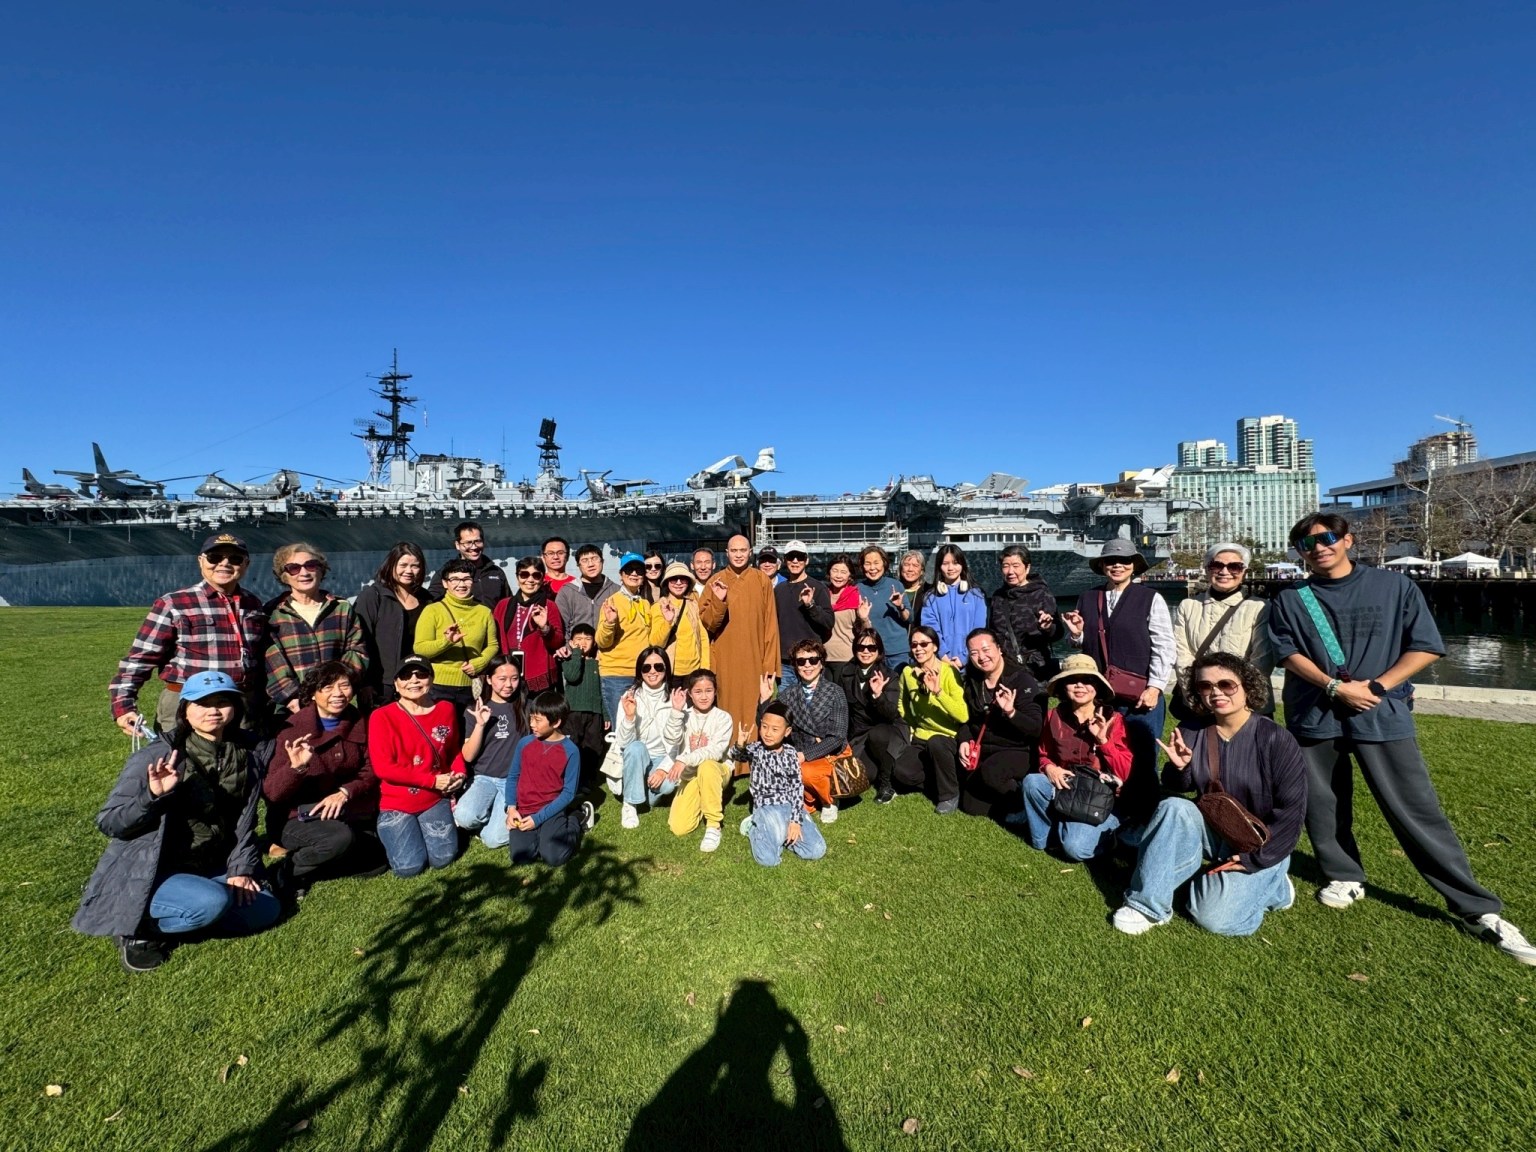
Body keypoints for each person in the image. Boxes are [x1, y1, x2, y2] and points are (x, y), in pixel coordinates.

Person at [1267, 512, 1534, 964]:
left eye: (1327, 538)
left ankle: (1474, 906)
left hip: (1381, 712)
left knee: (1414, 807)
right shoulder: (1292, 597)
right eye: (1306, 544)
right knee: (1324, 801)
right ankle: (1343, 873)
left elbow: (1426, 645)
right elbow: (1286, 652)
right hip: (1314, 712)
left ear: (1348, 540)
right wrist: (1333, 686)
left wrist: (1376, 687)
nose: (1318, 547)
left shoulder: (1394, 587)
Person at [74, 670, 281, 973]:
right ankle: (138, 928)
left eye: (222, 702)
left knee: (265, 909)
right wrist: (151, 796)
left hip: (209, 862)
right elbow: (110, 822)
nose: (212, 711)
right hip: (155, 868)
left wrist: (240, 869)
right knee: (210, 903)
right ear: (185, 709)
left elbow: (244, 821)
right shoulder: (159, 755)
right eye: (201, 703)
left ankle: (199, 908)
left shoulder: (246, 754)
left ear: (235, 707)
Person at [1112, 653, 1306, 937]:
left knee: (1213, 918)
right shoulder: (1192, 731)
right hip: (1214, 828)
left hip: (1261, 841)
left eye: (1226, 684)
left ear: (1247, 686)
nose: (1215, 692)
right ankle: (1147, 905)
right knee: (1174, 807)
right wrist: (1182, 768)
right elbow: (1178, 786)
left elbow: (1293, 812)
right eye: (1205, 686)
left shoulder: (1275, 738)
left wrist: (1257, 859)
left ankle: (1275, 885)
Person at [110, 532, 268, 738]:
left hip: (242, 703)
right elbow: (140, 658)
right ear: (200, 561)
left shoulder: (253, 603)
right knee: (181, 765)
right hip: (187, 702)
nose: (224, 563)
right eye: (215, 558)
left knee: (243, 765)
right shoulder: (174, 603)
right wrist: (123, 706)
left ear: (246, 564)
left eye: (235, 559)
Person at [1060, 537, 1173, 820]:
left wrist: (1156, 687)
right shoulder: (1088, 597)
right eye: (1111, 561)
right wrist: (1075, 633)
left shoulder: (1150, 598)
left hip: (1139, 695)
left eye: (1124, 561)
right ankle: (1106, 810)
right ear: (1102, 566)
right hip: (1101, 696)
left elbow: (1164, 645)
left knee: (1143, 757)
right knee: (1100, 752)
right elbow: (1081, 647)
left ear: (1134, 565)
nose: (1117, 565)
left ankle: (1145, 816)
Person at [263, 661, 381, 900]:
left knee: (377, 861)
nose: (338, 694)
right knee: (339, 839)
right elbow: (273, 793)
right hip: (295, 817)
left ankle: (313, 866)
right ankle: (287, 871)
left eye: (344, 686)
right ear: (313, 694)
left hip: (342, 810)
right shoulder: (291, 730)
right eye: (327, 687)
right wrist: (296, 768)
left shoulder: (357, 721)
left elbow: (370, 768)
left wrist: (346, 791)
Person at [1015, 653, 1134, 860]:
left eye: (1087, 680)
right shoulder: (1054, 716)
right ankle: (1043, 840)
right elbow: (1043, 754)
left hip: (1098, 795)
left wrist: (1103, 742)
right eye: (1072, 680)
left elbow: (1125, 771)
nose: (1079, 686)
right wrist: (1049, 768)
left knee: (1076, 849)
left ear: (1097, 687)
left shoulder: (1113, 720)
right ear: (1063, 686)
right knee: (1033, 782)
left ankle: (1112, 831)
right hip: (1068, 787)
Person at [367, 656, 466, 877]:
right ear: (396, 683)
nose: (414, 680)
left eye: (421, 674)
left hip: (433, 797)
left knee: (444, 858)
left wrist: (460, 772)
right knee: (409, 867)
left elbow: (453, 750)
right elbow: (384, 768)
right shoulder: (381, 717)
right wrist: (432, 780)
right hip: (397, 802)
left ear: (431, 679)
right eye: (406, 675)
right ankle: (391, 831)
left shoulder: (446, 709)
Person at [696, 534, 781, 756]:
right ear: (727, 553)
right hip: (725, 658)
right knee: (726, 707)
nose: (739, 555)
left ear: (750, 552)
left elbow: (771, 625)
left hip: (755, 658)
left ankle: (752, 754)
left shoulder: (761, 580)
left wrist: (770, 666)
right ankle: (727, 754)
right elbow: (708, 624)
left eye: (743, 550)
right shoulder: (716, 580)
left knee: (754, 706)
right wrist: (718, 600)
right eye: (734, 551)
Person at [263, 542, 367, 720]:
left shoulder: (341, 608)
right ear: (284, 576)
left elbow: (357, 650)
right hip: (294, 708)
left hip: (339, 703)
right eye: (293, 568)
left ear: (321, 570)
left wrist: (338, 689)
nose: (304, 572)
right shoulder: (273, 614)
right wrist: (293, 697)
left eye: (311, 565)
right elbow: (271, 660)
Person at [1172, 542, 1273, 719]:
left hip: (1246, 705)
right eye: (1216, 565)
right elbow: (1182, 655)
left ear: (1244, 572)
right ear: (1206, 569)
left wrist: (1235, 698)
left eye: (1234, 566)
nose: (1224, 572)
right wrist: (1198, 695)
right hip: (1198, 701)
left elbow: (1262, 659)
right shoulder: (1188, 606)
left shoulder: (1260, 607)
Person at [957, 628, 1043, 821]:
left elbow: (1036, 728)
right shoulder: (972, 681)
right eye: (974, 653)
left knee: (991, 772)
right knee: (971, 806)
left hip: (1018, 749)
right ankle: (1005, 799)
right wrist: (965, 739)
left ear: (999, 649)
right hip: (985, 749)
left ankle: (1023, 800)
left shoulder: (1021, 680)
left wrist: (1011, 712)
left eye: (986, 649)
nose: (982, 657)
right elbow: (966, 720)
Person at [504, 692, 594, 867]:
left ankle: (576, 818)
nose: (532, 724)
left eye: (538, 720)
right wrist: (511, 808)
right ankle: (543, 834)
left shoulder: (571, 751)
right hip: (525, 809)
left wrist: (538, 820)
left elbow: (568, 793)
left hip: (551, 808)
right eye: (531, 718)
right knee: (521, 857)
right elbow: (513, 776)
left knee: (554, 857)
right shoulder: (524, 744)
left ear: (556, 722)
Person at [764, 640, 849, 824]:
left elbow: (837, 737)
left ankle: (830, 800)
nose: (807, 665)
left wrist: (804, 755)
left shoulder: (835, 692)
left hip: (831, 752)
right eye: (801, 661)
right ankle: (809, 798)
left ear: (821, 663)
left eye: (813, 660)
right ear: (795, 666)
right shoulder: (788, 695)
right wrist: (765, 701)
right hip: (801, 752)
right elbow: (771, 726)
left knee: (805, 772)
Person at [833, 627, 918, 805]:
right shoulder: (845, 673)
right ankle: (878, 771)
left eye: (871, 648)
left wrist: (878, 696)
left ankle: (886, 784)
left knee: (877, 734)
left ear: (879, 650)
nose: (866, 652)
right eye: (861, 647)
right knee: (857, 778)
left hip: (888, 731)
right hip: (860, 735)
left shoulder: (889, 675)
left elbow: (892, 714)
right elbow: (842, 710)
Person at [739, 701, 828, 867]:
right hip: (766, 807)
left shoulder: (790, 753)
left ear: (787, 731)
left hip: (789, 806)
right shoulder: (756, 749)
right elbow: (738, 755)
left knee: (817, 849)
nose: (768, 733)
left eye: (774, 729)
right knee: (769, 860)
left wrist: (795, 821)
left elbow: (796, 789)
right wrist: (740, 744)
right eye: (764, 727)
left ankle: (781, 836)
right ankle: (754, 828)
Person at [453, 657, 527, 849]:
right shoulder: (475, 709)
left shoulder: (527, 707)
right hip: (484, 777)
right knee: (464, 817)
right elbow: (468, 756)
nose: (509, 685)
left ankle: (494, 817)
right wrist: (480, 725)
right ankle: (489, 810)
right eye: (502, 679)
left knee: (494, 840)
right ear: (488, 679)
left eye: (514, 678)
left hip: (512, 781)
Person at [897, 625, 969, 813]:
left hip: (946, 736)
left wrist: (938, 691)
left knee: (936, 743)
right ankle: (938, 780)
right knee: (901, 773)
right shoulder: (907, 673)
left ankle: (949, 794)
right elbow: (902, 705)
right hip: (922, 735)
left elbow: (962, 714)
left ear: (935, 647)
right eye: (914, 645)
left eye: (923, 644)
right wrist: (912, 727)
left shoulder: (949, 671)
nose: (918, 649)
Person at [354, 542, 435, 707]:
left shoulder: (426, 599)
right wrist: (365, 683)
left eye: (415, 566)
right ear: (391, 565)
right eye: (403, 565)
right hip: (382, 683)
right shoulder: (373, 596)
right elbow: (361, 640)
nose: (409, 571)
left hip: (415, 680)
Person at [614, 647, 687, 829]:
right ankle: (630, 803)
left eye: (658, 667)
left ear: (666, 669)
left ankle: (642, 791)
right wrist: (630, 718)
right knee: (636, 747)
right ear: (640, 671)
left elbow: (679, 744)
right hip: (636, 756)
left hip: (663, 757)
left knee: (668, 786)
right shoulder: (629, 697)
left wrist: (663, 769)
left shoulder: (676, 699)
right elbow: (623, 743)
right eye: (646, 668)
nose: (652, 671)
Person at [414, 558, 498, 714]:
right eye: (455, 579)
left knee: (469, 735)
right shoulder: (432, 611)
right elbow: (420, 649)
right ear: (445, 583)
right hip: (438, 687)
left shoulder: (484, 612)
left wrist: (479, 663)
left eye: (466, 579)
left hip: (470, 686)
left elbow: (493, 645)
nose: (461, 584)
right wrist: (446, 642)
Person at [666, 670, 735, 852]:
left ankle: (713, 825)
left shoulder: (723, 717)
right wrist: (675, 712)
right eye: (698, 691)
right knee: (679, 827)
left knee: (707, 765)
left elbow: (715, 751)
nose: (704, 696)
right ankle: (702, 795)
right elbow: (671, 741)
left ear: (715, 691)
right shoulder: (684, 715)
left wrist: (684, 760)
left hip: (717, 770)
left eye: (708, 691)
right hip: (691, 776)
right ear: (689, 693)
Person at [597, 553, 660, 726]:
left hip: (642, 674)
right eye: (629, 570)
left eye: (639, 570)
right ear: (621, 575)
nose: (634, 574)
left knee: (642, 726)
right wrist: (610, 623)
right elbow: (602, 642)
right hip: (617, 675)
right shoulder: (612, 601)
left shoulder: (645, 604)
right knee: (622, 728)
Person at [987, 544, 1063, 680]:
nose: (1010, 571)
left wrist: (1047, 628)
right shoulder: (998, 597)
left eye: (1016, 566)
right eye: (1005, 566)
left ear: (1027, 568)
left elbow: (1058, 633)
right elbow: (992, 630)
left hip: (1034, 669)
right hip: (1004, 669)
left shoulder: (1041, 595)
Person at [492, 556, 565, 693]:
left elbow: (557, 643)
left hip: (538, 674)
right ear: (517, 577)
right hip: (508, 672)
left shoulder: (549, 606)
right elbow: (493, 638)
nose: (530, 580)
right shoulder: (503, 605)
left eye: (536, 575)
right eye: (524, 575)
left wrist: (545, 628)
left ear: (542, 578)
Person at [772, 540, 834, 686]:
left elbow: (828, 622)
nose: (795, 561)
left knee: (813, 705)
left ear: (806, 560)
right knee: (787, 706)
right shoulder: (779, 590)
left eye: (799, 557)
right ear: (785, 560)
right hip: (786, 662)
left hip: (810, 660)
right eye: (791, 557)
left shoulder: (818, 588)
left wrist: (810, 605)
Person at [920, 544, 989, 667]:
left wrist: (963, 658)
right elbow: (931, 630)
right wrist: (944, 657)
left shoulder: (976, 595)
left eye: (955, 563)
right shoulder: (930, 597)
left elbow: (979, 629)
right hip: (940, 663)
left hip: (972, 661)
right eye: (945, 563)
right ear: (939, 567)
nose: (950, 568)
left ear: (962, 565)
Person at [558, 623, 607, 780]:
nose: (583, 642)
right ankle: (570, 777)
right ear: (571, 642)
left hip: (594, 712)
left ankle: (587, 779)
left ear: (594, 642)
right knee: (572, 744)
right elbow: (572, 676)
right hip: (573, 711)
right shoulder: (569, 660)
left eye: (587, 639)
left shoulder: (597, 663)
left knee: (593, 746)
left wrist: (605, 714)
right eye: (578, 639)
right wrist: (576, 653)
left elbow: (601, 690)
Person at [427, 520, 510, 607]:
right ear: (457, 545)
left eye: (478, 541)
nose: (474, 547)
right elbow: (431, 602)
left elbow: (507, 604)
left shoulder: (496, 572)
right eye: (468, 543)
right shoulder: (446, 572)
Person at [854, 545, 912, 672]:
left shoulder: (896, 585)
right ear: (862, 566)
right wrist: (863, 618)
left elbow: (909, 618)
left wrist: (900, 607)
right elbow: (858, 626)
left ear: (884, 563)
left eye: (876, 563)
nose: (872, 568)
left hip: (897, 651)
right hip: (871, 651)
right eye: (868, 563)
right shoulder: (857, 589)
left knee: (899, 688)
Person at [652, 561, 711, 676]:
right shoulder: (658, 606)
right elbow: (656, 643)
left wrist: (704, 669)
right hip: (670, 671)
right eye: (674, 579)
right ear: (667, 582)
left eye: (683, 579)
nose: (678, 583)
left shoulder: (693, 605)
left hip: (694, 672)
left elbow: (703, 638)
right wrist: (668, 622)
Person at [556, 544, 621, 636]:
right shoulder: (567, 591)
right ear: (578, 565)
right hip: (577, 648)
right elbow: (562, 626)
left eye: (594, 558)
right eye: (584, 560)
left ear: (602, 561)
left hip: (609, 648)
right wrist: (568, 646)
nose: (590, 564)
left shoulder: (616, 590)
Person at [823, 554, 861, 673]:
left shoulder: (855, 597)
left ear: (850, 575)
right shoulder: (822, 595)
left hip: (846, 658)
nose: (838, 576)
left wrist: (864, 618)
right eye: (835, 571)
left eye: (843, 572)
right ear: (829, 572)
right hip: (822, 658)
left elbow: (864, 630)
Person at [897, 550, 933, 637]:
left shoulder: (930, 591)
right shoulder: (893, 590)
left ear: (922, 571)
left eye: (915, 566)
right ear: (901, 569)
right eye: (906, 565)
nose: (910, 569)